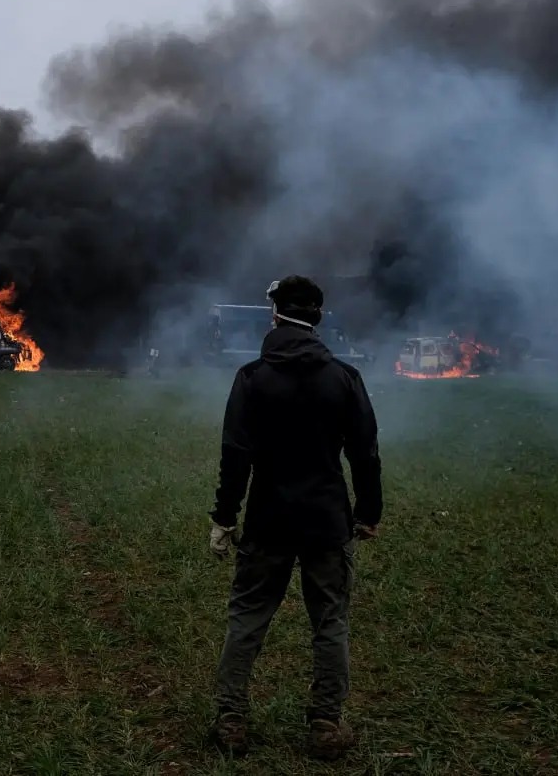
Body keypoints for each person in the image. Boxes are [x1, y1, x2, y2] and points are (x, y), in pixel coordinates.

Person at [207, 275, 382, 761]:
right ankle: (326, 725)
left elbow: (235, 455)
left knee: (247, 619)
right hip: (327, 521)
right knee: (330, 623)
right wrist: (368, 513)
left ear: (274, 315)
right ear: (318, 319)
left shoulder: (252, 378)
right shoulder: (345, 378)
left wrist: (224, 517)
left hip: (268, 520)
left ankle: (232, 721)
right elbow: (365, 454)